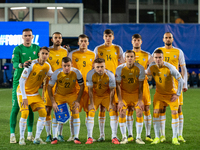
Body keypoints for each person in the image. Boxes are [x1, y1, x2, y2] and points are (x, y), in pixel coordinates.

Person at [154, 32, 187, 143]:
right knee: (162, 109)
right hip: (163, 86)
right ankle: (162, 135)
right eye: (166, 37)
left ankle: (179, 135)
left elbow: (183, 68)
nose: (168, 39)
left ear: (172, 39)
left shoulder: (178, 51)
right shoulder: (158, 50)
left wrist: (185, 83)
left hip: (176, 85)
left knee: (178, 110)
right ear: (163, 39)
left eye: (170, 37)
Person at [17, 46, 53, 145]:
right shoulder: (31, 65)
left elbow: (52, 75)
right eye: (43, 53)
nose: (44, 55)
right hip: (22, 92)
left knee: (43, 113)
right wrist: (24, 97)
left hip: (35, 93)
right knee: (24, 114)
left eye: (46, 54)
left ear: (48, 55)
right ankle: (21, 138)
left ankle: (37, 138)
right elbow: (21, 81)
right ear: (39, 54)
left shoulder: (47, 66)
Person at [147, 49, 183, 145]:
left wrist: (177, 94)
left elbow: (181, 80)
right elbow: (146, 73)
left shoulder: (169, 67)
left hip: (171, 94)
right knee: (155, 112)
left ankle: (174, 138)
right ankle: (157, 137)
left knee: (175, 112)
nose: (158, 59)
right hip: (159, 94)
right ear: (153, 58)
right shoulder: (151, 66)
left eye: (160, 57)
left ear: (163, 58)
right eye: (156, 57)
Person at [10, 28, 40, 143]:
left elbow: (43, 58)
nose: (27, 37)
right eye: (25, 35)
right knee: (16, 108)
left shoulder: (36, 48)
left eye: (29, 35)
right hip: (19, 82)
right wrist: (22, 64)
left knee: (31, 108)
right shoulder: (17, 49)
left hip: (31, 83)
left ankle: (30, 134)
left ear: (32, 37)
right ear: (22, 37)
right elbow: (15, 63)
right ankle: (12, 134)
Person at [94, 29, 124, 141]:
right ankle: (102, 135)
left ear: (113, 37)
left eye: (110, 36)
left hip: (114, 81)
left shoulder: (118, 48)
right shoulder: (98, 49)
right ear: (103, 37)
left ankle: (114, 135)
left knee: (114, 107)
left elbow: (121, 63)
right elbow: (95, 64)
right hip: (102, 81)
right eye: (106, 36)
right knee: (101, 107)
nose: (108, 38)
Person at [48, 57, 84, 144]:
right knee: (56, 114)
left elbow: (82, 86)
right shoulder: (56, 73)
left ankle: (76, 137)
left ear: (71, 65)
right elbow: (49, 87)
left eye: (68, 65)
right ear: (62, 65)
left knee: (75, 112)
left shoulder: (77, 72)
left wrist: (78, 100)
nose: (67, 68)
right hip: (60, 96)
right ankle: (55, 137)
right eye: (65, 66)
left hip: (71, 95)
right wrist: (53, 102)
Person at [124, 34, 153, 142]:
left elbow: (151, 70)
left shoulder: (147, 55)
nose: (136, 42)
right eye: (135, 40)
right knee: (130, 109)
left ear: (141, 42)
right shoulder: (126, 55)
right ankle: (130, 134)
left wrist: (147, 73)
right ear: (132, 42)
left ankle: (148, 135)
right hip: (130, 87)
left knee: (146, 109)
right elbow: (122, 69)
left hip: (143, 86)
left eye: (138, 40)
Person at [85, 58, 119, 144]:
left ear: (105, 66)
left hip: (106, 96)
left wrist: (111, 103)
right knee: (91, 112)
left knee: (112, 112)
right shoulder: (90, 74)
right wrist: (92, 103)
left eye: (102, 67)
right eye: (98, 67)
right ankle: (90, 137)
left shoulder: (110, 74)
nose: (100, 69)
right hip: (95, 96)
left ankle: (114, 136)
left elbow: (112, 90)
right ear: (94, 67)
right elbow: (90, 90)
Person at [68, 34, 96, 141]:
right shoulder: (72, 54)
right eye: (81, 41)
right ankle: (73, 135)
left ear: (88, 43)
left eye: (85, 41)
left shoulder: (93, 54)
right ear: (78, 43)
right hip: (76, 88)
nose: (83, 43)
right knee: (74, 112)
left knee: (89, 112)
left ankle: (90, 136)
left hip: (89, 88)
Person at [116, 50, 145, 144]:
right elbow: (118, 86)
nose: (129, 58)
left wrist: (140, 100)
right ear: (125, 58)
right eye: (127, 56)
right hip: (124, 94)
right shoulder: (119, 68)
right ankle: (124, 137)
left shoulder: (140, 68)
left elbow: (141, 86)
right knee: (122, 112)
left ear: (134, 58)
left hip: (136, 94)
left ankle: (138, 137)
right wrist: (120, 100)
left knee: (140, 112)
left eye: (131, 56)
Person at [44, 32, 68, 142]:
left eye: (59, 37)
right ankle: (49, 134)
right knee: (48, 109)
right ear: (52, 40)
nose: (57, 39)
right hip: (49, 84)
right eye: (55, 38)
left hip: (61, 85)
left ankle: (59, 134)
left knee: (60, 110)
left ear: (61, 40)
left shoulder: (64, 51)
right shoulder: (47, 51)